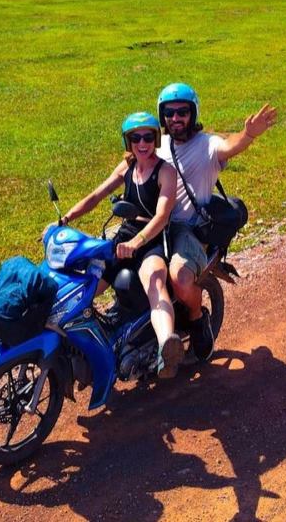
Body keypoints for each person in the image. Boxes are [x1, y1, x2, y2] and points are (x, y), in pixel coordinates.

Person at [56, 112, 184, 379]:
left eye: (148, 136)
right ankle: (83, 347)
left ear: (155, 138)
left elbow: (161, 216)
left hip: (151, 237)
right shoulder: (126, 167)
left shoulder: (166, 172)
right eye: (135, 137)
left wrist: (136, 243)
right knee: (89, 285)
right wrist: (65, 219)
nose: (142, 142)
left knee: (154, 282)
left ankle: (166, 348)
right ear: (128, 141)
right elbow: (95, 195)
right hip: (125, 236)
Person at [155, 83, 277, 362]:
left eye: (182, 112)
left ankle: (198, 319)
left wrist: (248, 134)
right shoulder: (158, 145)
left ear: (193, 113)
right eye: (170, 112)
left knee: (180, 279)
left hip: (188, 229)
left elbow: (229, 145)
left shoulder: (206, 145)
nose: (176, 118)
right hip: (155, 224)